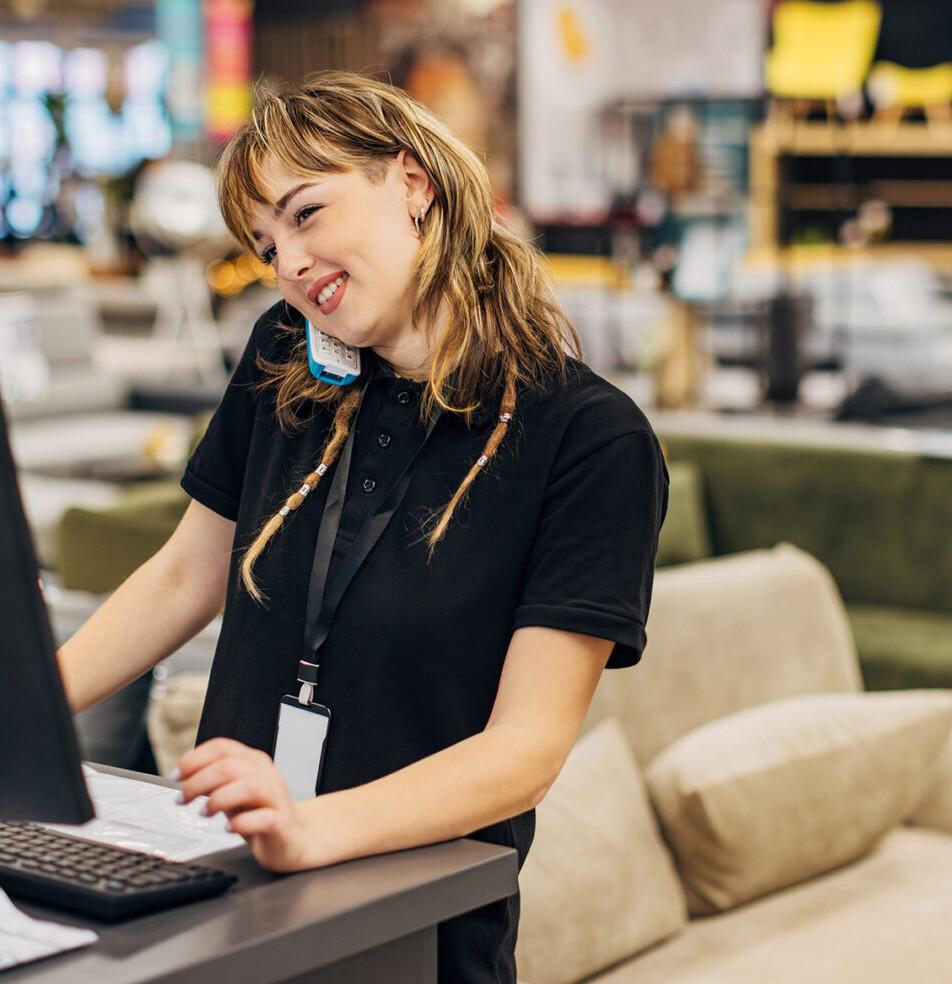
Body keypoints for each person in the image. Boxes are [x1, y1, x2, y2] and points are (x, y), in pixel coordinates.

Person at [57, 70, 668, 983]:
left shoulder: (590, 439)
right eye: (266, 245)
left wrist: (311, 828)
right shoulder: (281, 357)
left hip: (412, 925)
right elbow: (188, 573)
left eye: (306, 214)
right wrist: (31, 703)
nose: (289, 264)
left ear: (412, 185)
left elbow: (525, 750)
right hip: (223, 889)